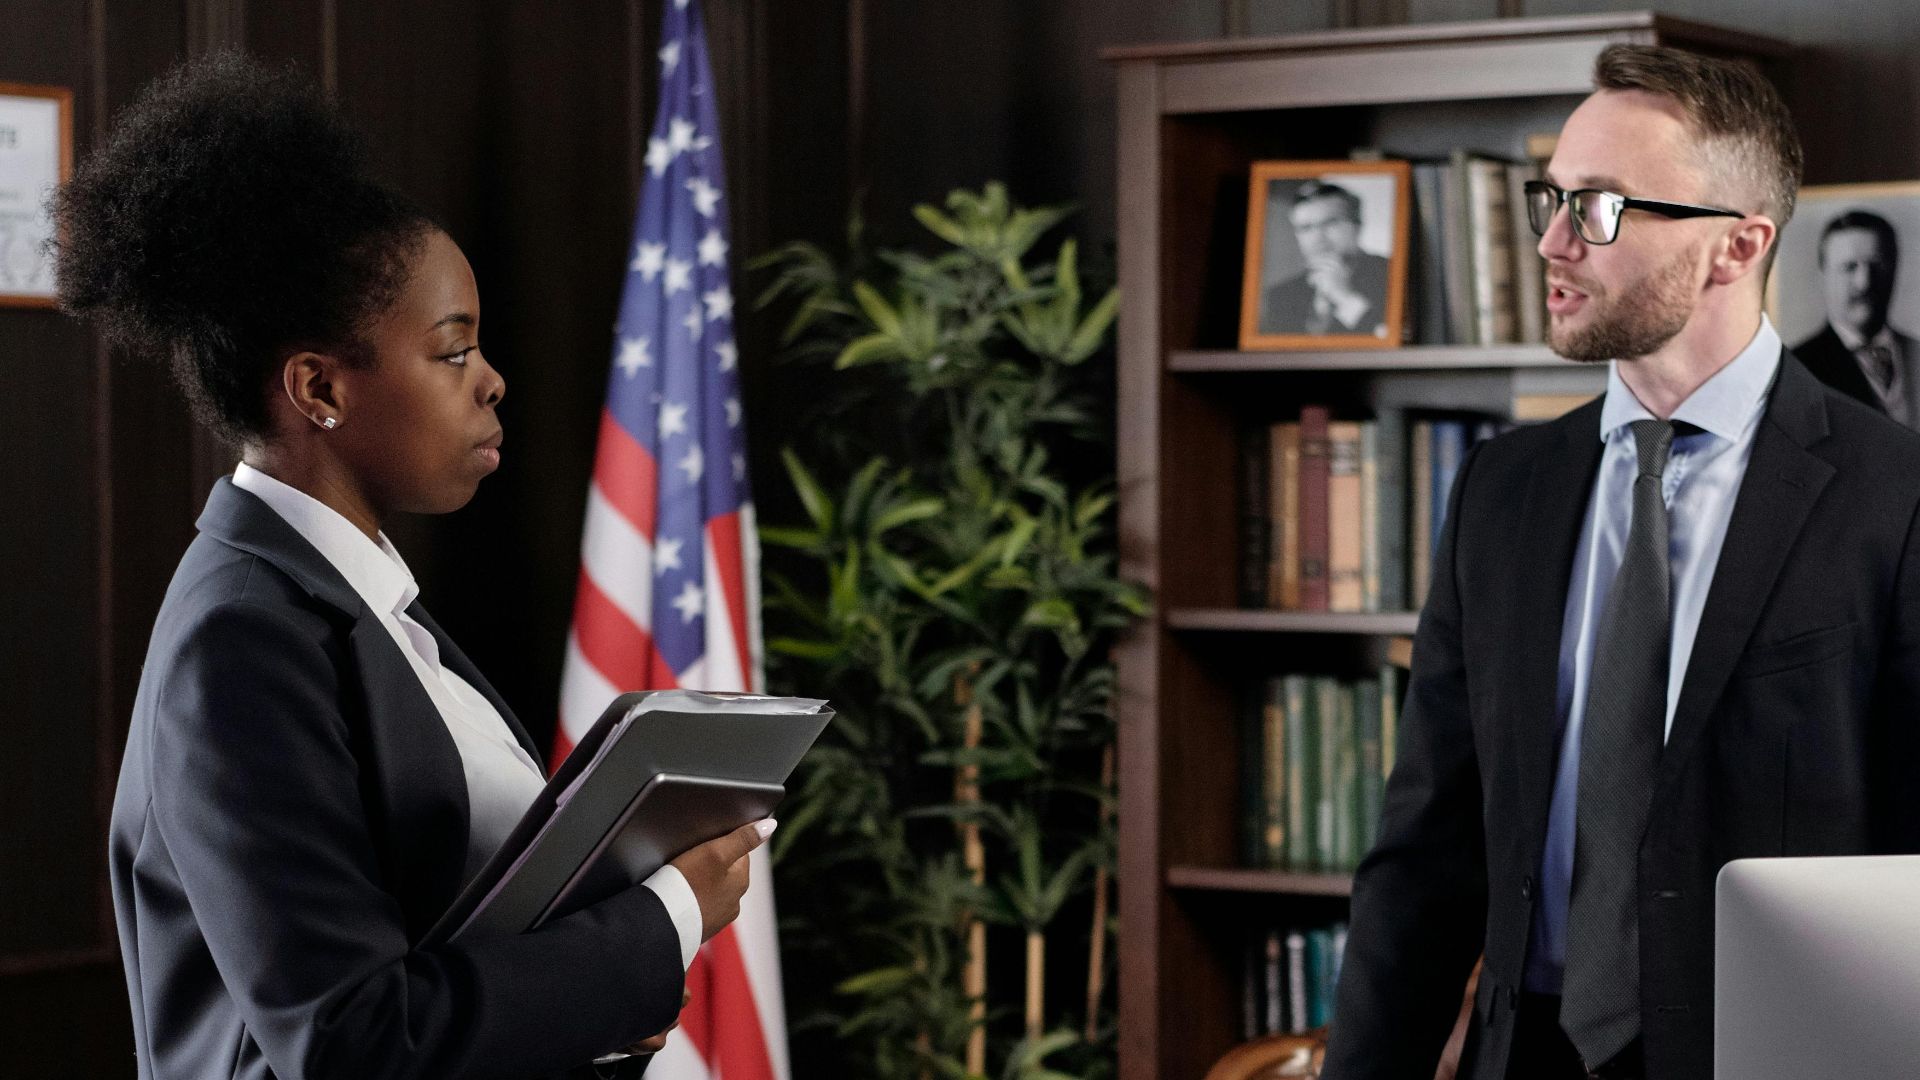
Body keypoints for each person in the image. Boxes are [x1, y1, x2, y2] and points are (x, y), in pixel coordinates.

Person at [57, 55, 767, 1079]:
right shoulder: (241, 639)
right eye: (452, 351)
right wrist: (664, 921)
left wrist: (599, 1001)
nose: (492, 382)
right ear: (319, 390)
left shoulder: (362, 602)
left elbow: (449, 940)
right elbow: (349, 1039)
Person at [1320, 44, 1920, 1080]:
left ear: (1736, 246)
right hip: (1524, 1054)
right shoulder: (1501, 489)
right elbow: (1426, 850)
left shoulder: (1894, 496)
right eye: (1550, 198)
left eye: (1598, 207)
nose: (1553, 241)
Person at [1790, 210, 1920, 426]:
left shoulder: (1916, 352)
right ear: (1824, 275)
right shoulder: (1796, 369)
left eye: (1877, 265)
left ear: (1895, 268)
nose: (1864, 282)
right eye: (1849, 267)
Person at [1262, 181, 1392, 336]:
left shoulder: (1393, 275)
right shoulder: (1280, 296)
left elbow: (1392, 340)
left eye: (1330, 223)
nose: (1318, 237)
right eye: (1306, 228)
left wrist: (1345, 298)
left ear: (1357, 226)